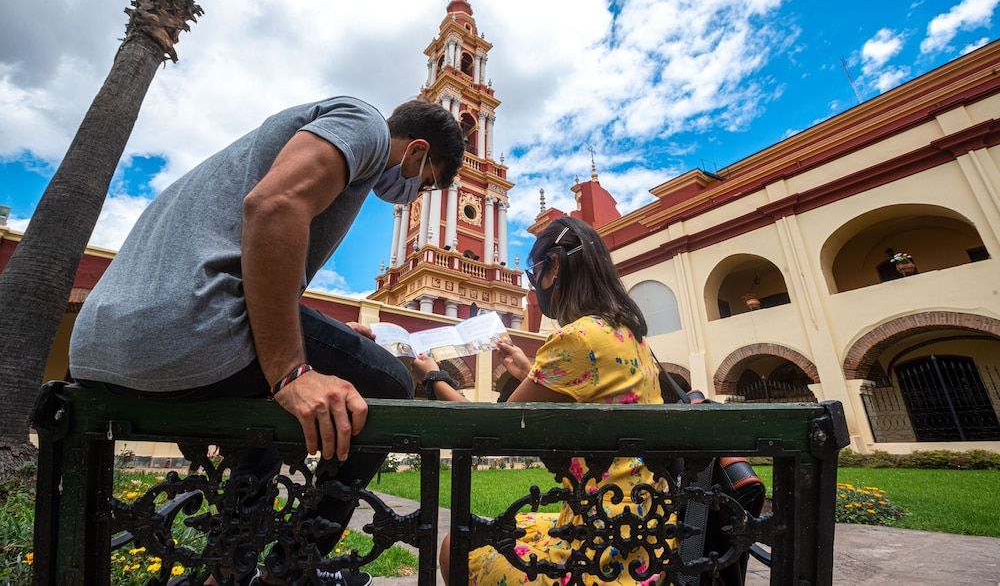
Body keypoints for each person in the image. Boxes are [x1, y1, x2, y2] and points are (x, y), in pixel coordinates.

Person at [68, 96, 464, 585]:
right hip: (192, 326)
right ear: (417, 151)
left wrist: (331, 334)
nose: (410, 195)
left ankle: (229, 568)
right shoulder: (364, 126)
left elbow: (262, 274)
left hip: (98, 348)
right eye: (422, 182)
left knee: (279, 400)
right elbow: (274, 204)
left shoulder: (300, 143)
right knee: (388, 382)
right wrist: (291, 372)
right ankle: (293, 570)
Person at [412, 217, 669, 586]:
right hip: (648, 528)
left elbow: (489, 430)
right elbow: (591, 384)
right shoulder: (632, 337)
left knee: (457, 544)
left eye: (535, 274)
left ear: (557, 266)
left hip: (603, 549)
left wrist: (432, 375)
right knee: (506, 527)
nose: (535, 288)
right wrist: (529, 371)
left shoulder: (576, 338)